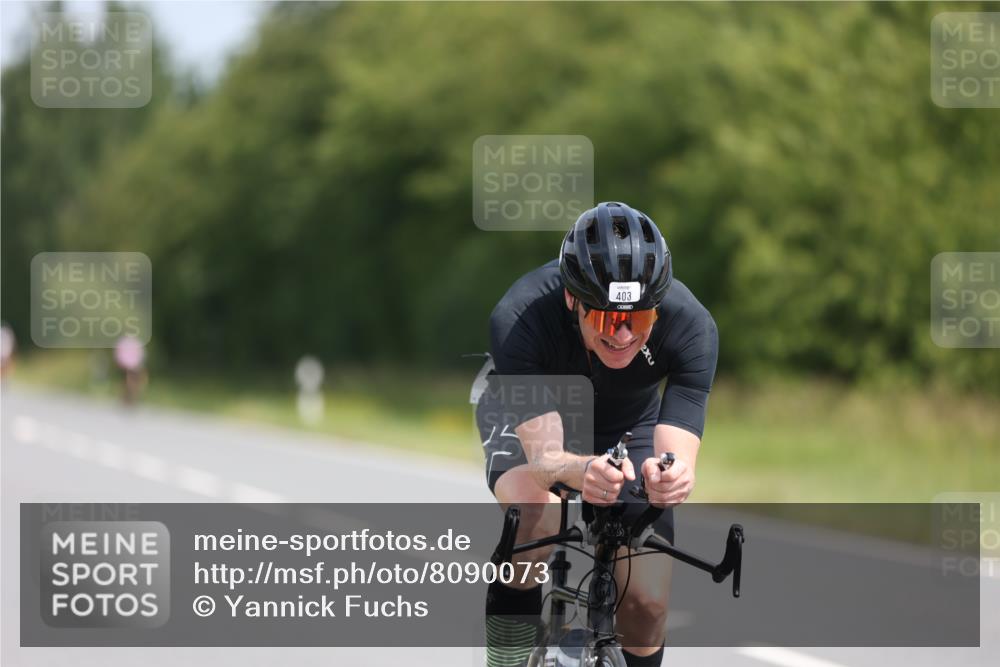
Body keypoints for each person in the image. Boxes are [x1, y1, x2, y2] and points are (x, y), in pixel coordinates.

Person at [475, 201, 719, 667]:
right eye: (608, 319)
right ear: (573, 300)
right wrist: (580, 468)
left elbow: (675, 455)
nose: (625, 335)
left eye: (641, 319)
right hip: (534, 414)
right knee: (537, 520)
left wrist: (668, 478)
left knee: (646, 602)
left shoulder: (692, 327)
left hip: (630, 423)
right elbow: (546, 458)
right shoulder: (521, 316)